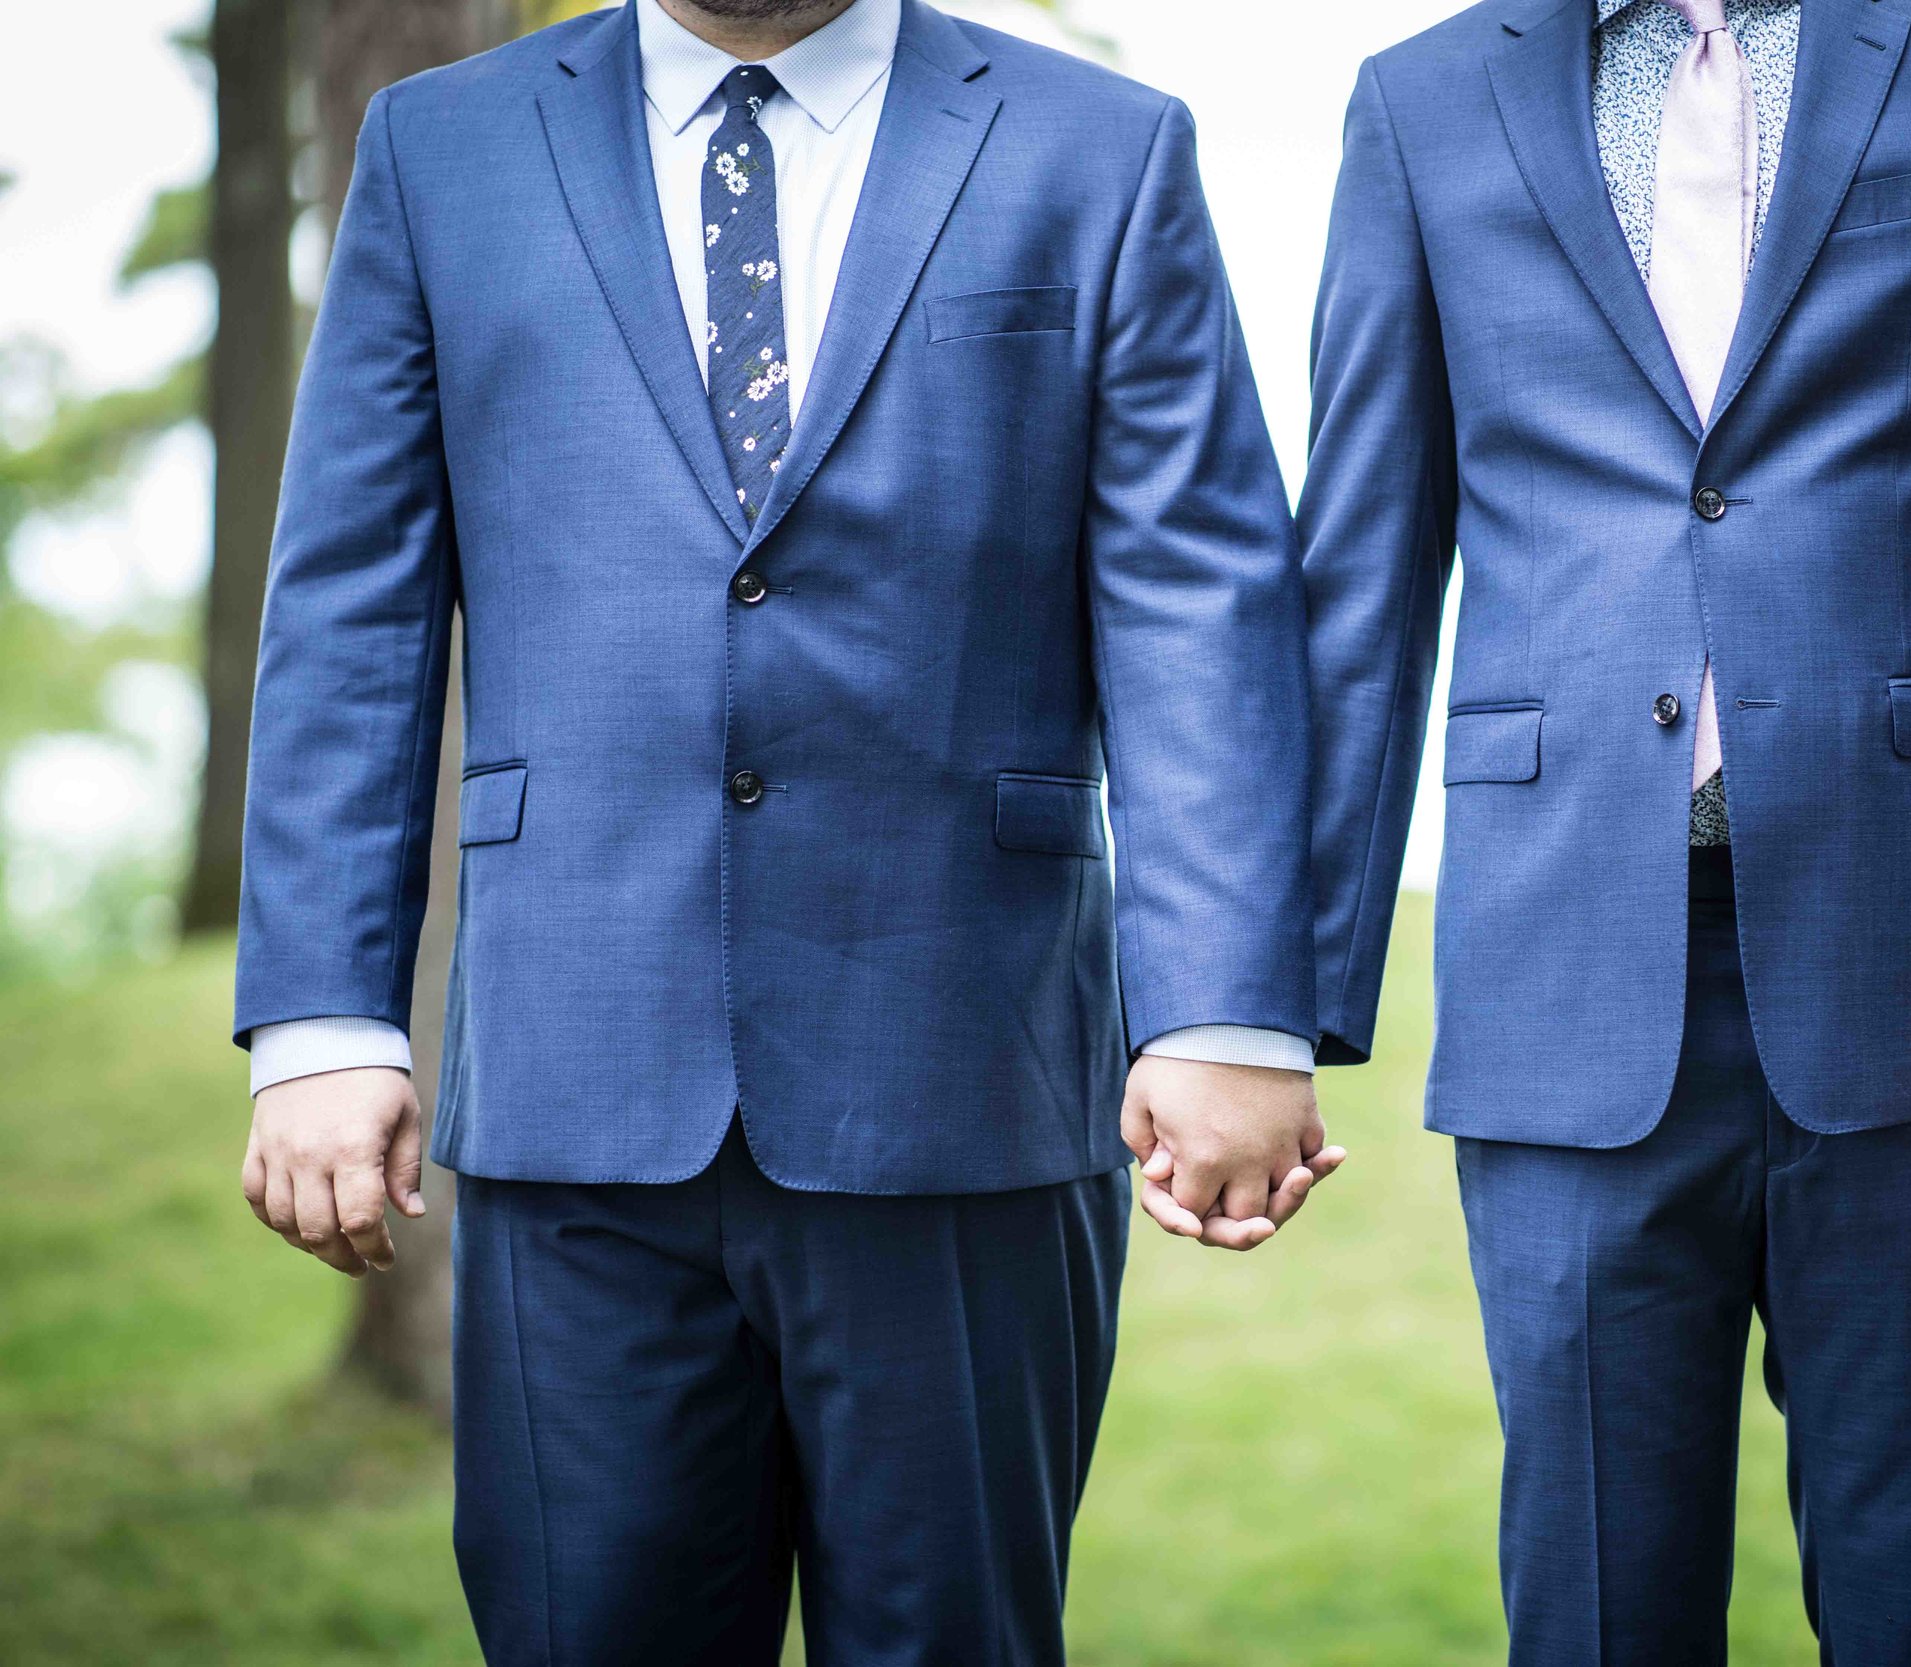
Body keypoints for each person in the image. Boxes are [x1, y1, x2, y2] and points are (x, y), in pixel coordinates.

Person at [231, 1, 1338, 1659]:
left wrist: (1228, 1011)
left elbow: (1202, 601)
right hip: (571, 1091)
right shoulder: (438, 151)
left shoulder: (1101, 148)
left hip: (963, 1078)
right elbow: (350, 604)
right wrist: (321, 1017)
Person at [1299, 0, 1911, 1659]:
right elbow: (1361, 581)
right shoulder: (1419, 102)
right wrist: (1276, 1002)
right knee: (1599, 1616)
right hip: (1562, 988)